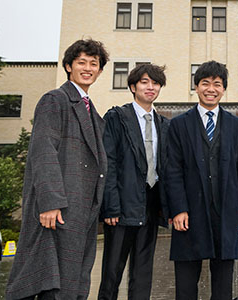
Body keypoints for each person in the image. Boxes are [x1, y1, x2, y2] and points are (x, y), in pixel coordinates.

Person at [6, 39, 109, 300]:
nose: (88, 68)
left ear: (99, 71)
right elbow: (43, 152)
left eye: (93, 64)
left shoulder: (93, 113)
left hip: (82, 210)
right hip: (58, 209)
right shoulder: (56, 100)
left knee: (73, 279)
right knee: (51, 281)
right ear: (68, 66)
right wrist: (50, 202)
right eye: (81, 62)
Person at [166, 60, 238, 300]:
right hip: (190, 212)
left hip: (225, 211)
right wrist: (178, 209)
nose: (211, 89)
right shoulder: (178, 125)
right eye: (205, 83)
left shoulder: (237, 126)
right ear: (196, 87)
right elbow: (172, 170)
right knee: (185, 282)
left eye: (217, 84)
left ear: (224, 89)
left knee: (223, 283)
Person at [97, 64, 170, 300]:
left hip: (150, 205)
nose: (151, 87)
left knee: (143, 272)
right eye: (145, 82)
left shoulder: (163, 124)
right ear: (133, 86)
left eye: (156, 83)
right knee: (111, 274)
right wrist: (110, 206)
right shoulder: (117, 117)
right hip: (121, 207)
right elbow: (109, 162)